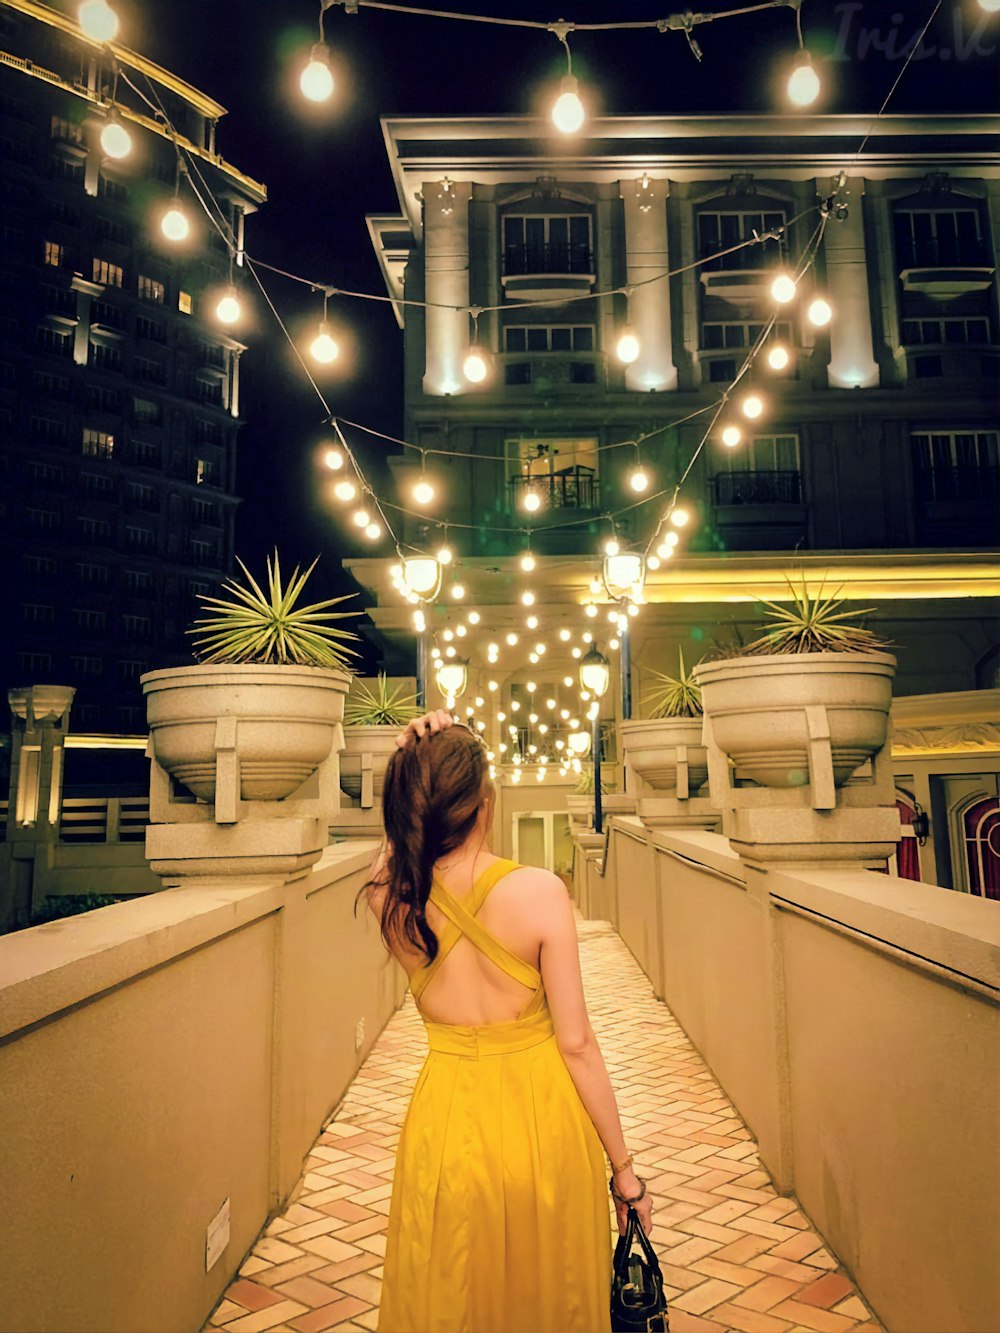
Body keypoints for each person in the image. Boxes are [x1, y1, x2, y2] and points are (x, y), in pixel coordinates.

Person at [365, 709, 653, 1333]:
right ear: (484, 803)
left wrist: (407, 762)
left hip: (444, 1126)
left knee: (449, 1290)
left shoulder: (390, 898)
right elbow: (577, 1045)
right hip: (540, 1118)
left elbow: (389, 852)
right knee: (551, 1295)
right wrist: (624, 1172)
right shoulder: (540, 892)